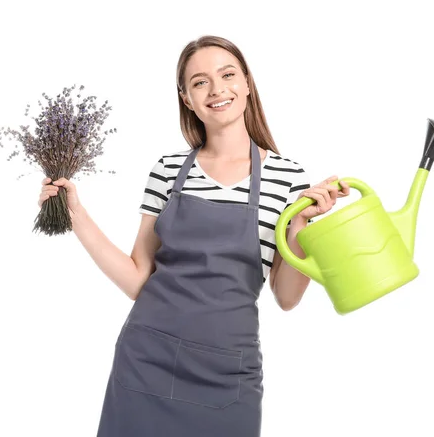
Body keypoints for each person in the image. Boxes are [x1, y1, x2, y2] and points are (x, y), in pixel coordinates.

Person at [38, 35, 350, 437]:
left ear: (248, 84)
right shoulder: (168, 170)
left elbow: (287, 297)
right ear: (186, 98)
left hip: (227, 373)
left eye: (227, 74)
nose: (217, 89)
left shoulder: (288, 177)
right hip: (146, 361)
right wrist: (76, 215)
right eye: (200, 82)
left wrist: (301, 224)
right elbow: (137, 279)